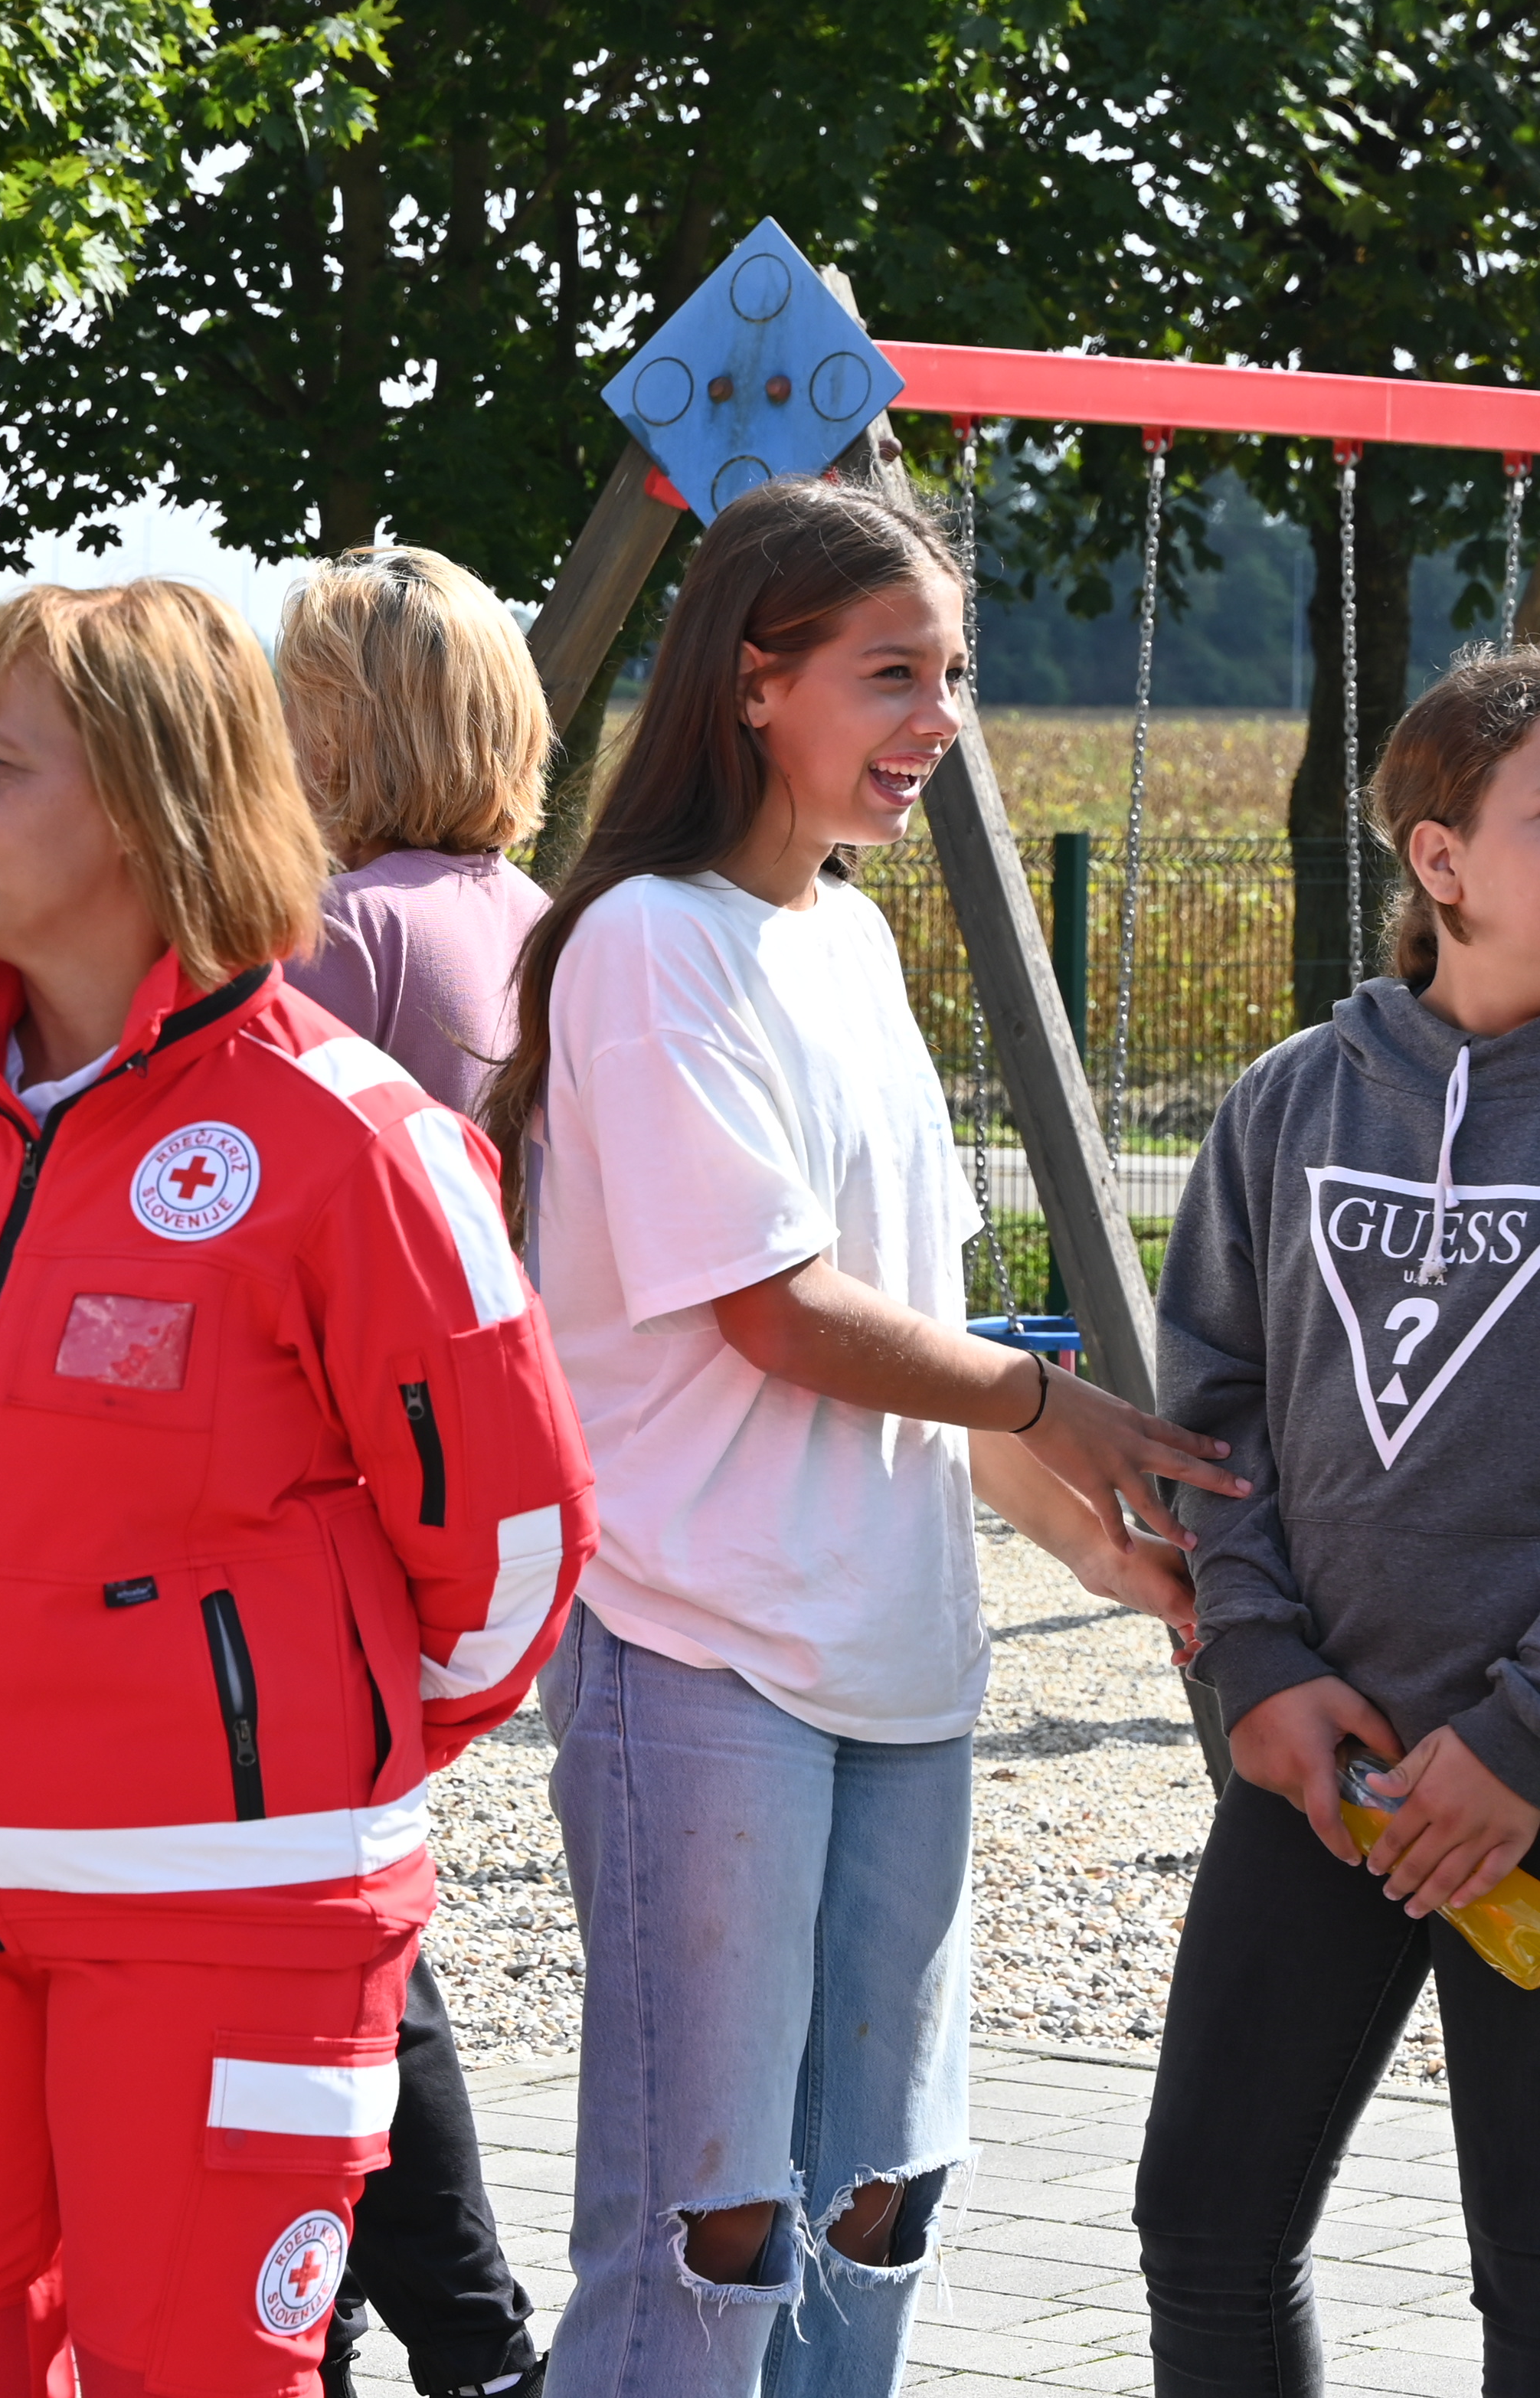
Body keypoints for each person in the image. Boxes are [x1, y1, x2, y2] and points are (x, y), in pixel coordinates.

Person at [0, 578, 594, 2398]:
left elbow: (514, 1536)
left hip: (234, 1914)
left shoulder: (347, 1137)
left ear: (150, 802)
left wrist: (297, 1734)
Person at [486, 476, 1231, 2397]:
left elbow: (917, 1322)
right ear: (753, 682)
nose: (939, 719)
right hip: (702, 1643)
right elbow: (774, 1309)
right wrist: (1056, 1400)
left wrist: (1079, 1535)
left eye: (955, 674)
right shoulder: (650, 942)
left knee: (880, 2191)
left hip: (902, 1662)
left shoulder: (842, 940)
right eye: (892, 671)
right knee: (708, 2214)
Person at [1140, 651, 1540, 2391]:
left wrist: (1522, 1735)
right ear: (1438, 861)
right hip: (1329, 1775)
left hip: (1524, 1793)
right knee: (1204, 2229)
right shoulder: (1289, 1103)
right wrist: (1260, 1666)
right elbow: (1207, 1412)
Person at [255, 545, 564, 2398]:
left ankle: (450, 2338)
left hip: (324, 1485)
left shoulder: (337, 934)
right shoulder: (538, 915)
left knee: (338, 1961)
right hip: (465, 1465)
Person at [276, 545, 556, 1119]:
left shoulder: (341, 928)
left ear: (335, 738)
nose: (277, 725)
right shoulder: (545, 920)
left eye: (292, 701)